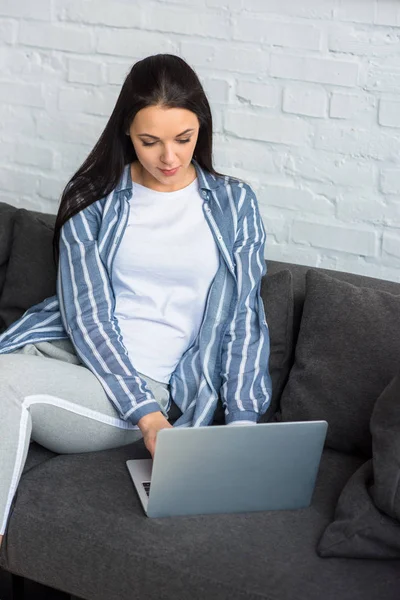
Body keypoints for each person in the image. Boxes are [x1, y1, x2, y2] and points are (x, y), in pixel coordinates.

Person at [0, 53, 272, 549]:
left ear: (201, 130)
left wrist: (241, 427)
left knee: (3, 383)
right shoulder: (94, 195)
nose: (168, 157)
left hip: (141, 389)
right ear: (127, 131)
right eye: (150, 141)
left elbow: (243, 319)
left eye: (183, 139)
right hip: (63, 351)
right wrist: (148, 419)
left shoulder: (235, 203)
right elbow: (86, 314)